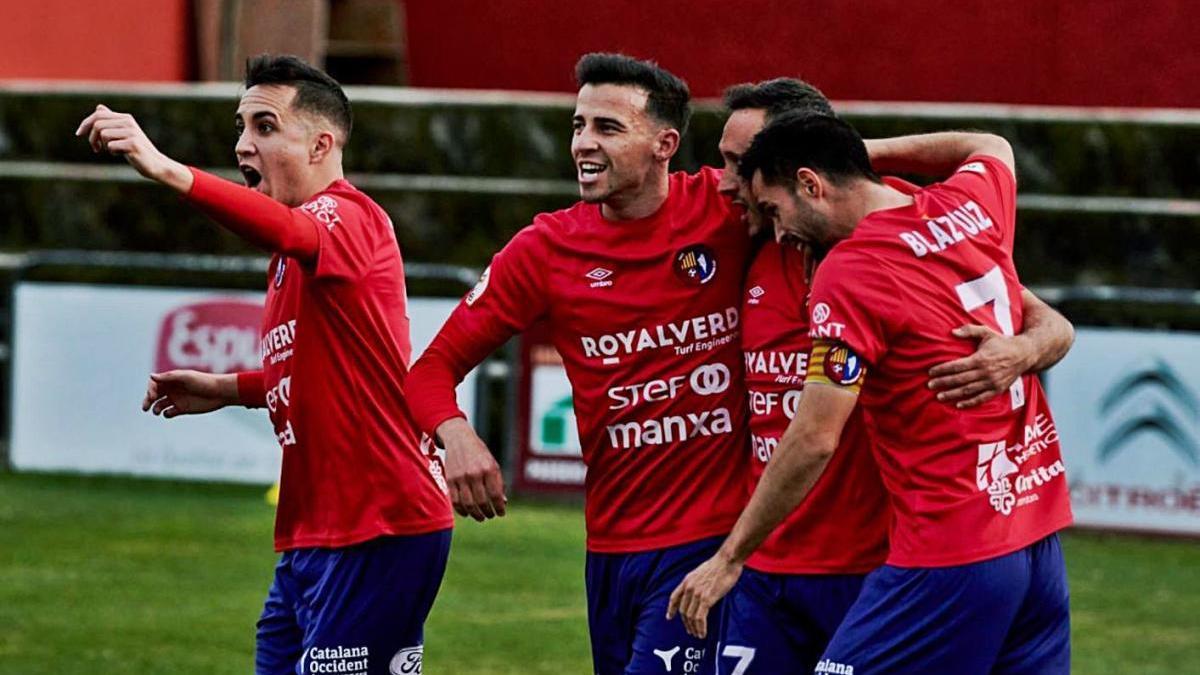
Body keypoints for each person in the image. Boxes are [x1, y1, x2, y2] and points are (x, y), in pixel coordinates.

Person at [77, 54, 452, 675]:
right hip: (312, 532)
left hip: (382, 525)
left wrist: (165, 168)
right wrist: (229, 387)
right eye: (241, 126)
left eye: (265, 127)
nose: (243, 144)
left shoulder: (348, 217)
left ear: (321, 143)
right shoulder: (292, 254)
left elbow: (287, 230)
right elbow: (327, 373)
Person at [672, 113, 1073, 674]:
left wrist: (730, 556)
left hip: (950, 548)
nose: (779, 231)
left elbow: (814, 437)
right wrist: (863, 153)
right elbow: (990, 143)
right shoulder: (970, 205)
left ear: (812, 184)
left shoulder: (851, 271)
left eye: (774, 208)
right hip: (1036, 535)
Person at [406, 53, 749, 675]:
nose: (584, 143)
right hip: (611, 547)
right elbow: (429, 370)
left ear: (664, 144)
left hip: (708, 542)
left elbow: (851, 196)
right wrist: (453, 435)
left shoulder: (729, 212)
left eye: (608, 128)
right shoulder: (544, 249)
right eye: (577, 125)